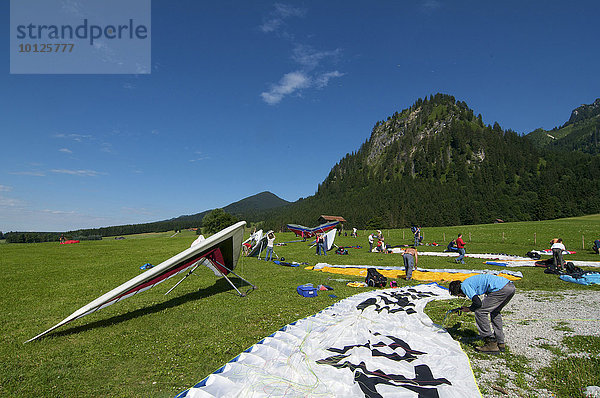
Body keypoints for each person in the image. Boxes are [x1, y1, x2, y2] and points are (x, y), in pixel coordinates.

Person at [449, 274, 516, 354]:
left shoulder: (464, 286)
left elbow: (478, 303)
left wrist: (469, 309)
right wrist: (470, 308)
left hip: (501, 289)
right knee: (495, 311)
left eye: (458, 295)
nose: (460, 297)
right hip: (510, 287)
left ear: (457, 291)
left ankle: (491, 343)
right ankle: (500, 342)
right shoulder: (469, 282)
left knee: (480, 311)